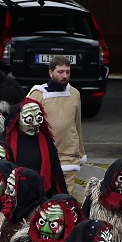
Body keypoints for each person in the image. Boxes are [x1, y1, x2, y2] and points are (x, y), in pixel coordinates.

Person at [27, 57, 87, 188]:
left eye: (68, 72)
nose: (65, 76)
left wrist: (80, 152)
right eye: (60, 72)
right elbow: (26, 126)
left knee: (66, 197)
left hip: (68, 154)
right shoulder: (37, 94)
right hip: (44, 154)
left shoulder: (74, 94)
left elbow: (77, 124)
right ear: (50, 72)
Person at [0, 98, 67, 196]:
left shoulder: (46, 142)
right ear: (17, 118)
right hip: (11, 196)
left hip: (41, 195)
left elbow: (56, 175)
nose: (35, 124)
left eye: (38, 118)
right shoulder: (4, 141)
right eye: (29, 119)